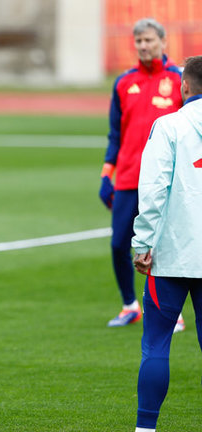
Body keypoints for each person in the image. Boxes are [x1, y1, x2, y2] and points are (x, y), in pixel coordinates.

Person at [131, 55, 202, 432]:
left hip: (171, 255)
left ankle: (146, 429)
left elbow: (153, 189)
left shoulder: (169, 124)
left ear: (184, 86)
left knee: (156, 344)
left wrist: (142, 241)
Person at [100, 18, 185, 329]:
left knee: (165, 246)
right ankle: (129, 305)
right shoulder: (124, 82)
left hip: (168, 180)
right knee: (119, 243)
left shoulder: (179, 80)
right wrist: (106, 173)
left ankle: (170, 311)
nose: (144, 46)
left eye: (149, 40)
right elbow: (114, 134)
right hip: (127, 177)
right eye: (139, 41)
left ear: (163, 41)